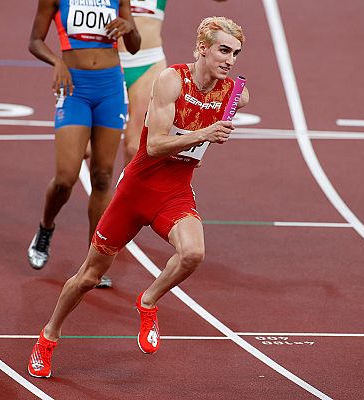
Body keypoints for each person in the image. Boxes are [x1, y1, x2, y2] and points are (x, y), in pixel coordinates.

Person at [27, 16, 249, 378]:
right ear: (203, 48)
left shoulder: (234, 94)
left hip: (175, 193)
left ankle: (147, 301)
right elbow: (158, 144)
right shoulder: (171, 80)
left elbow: (228, 109)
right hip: (136, 192)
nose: (230, 59)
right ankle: (48, 336)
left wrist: (210, 127)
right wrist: (205, 132)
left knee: (193, 253)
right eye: (224, 50)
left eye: (236, 53)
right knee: (87, 276)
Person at [27, 0, 141, 289]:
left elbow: (135, 44)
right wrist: (57, 62)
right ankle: (46, 227)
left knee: (103, 177)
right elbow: (35, 41)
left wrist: (129, 28)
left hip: (110, 87)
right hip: (74, 87)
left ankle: (95, 263)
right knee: (66, 178)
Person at [119, 0, 228, 166]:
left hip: (147, 64)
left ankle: (130, 190)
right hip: (105, 64)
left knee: (134, 147)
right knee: (86, 150)